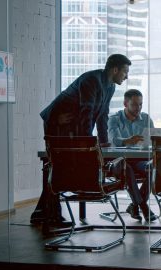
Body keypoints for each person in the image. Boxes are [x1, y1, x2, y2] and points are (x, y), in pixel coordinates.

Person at [30, 54, 131, 226]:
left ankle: (43, 212)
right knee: (58, 165)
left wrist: (103, 142)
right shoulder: (91, 80)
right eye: (125, 72)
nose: (126, 76)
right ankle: (49, 215)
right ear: (115, 70)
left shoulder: (110, 87)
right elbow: (87, 114)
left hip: (72, 126)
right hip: (58, 122)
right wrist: (89, 146)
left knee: (59, 168)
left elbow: (102, 115)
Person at [108, 89, 158, 222]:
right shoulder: (114, 119)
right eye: (135, 104)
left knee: (152, 168)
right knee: (127, 169)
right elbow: (113, 140)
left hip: (139, 160)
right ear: (125, 103)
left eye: (140, 104)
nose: (138, 108)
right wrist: (127, 140)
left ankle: (135, 205)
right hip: (120, 161)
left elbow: (153, 141)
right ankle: (143, 206)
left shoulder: (146, 118)